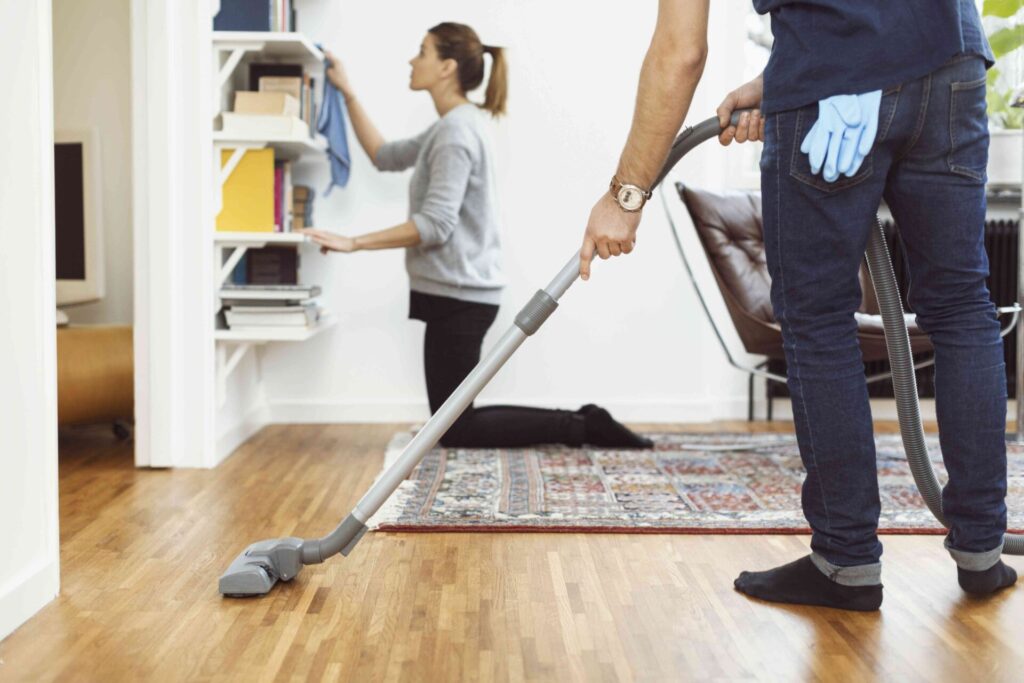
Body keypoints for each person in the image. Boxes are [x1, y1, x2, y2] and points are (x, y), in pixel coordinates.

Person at [579, 0, 1016, 611]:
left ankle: (846, 562)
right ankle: (982, 550)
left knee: (817, 318)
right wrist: (783, 76)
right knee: (963, 305)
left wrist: (625, 196)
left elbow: (680, 51)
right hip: (950, 63)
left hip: (832, 72)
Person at [304, 22, 650, 450]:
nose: (412, 60)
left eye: (422, 51)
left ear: (446, 67)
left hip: (460, 297)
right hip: (455, 292)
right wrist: (347, 91)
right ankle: (582, 423)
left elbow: (435, 225)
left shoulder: (455, 132)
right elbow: (384, 156)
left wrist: (353, 242)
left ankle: (582, 426)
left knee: (453, 427)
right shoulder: (449, 126)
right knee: (450, 422)